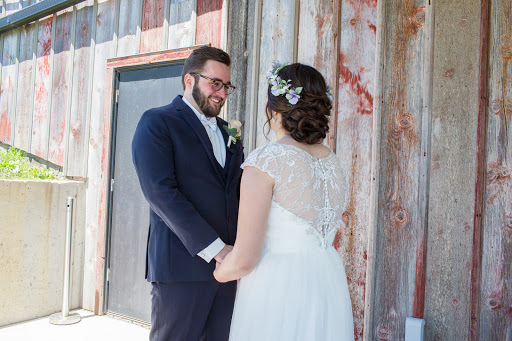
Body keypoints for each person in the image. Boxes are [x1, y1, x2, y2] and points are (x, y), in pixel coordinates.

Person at [213, 61, 355, 340]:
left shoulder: (267, 161)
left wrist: (218, 274)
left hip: (278, 290)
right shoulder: (333, 162)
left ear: (273, 110)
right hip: (327, 284)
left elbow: (243, 259)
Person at [132, 46, 244, 341]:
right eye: (215, 83)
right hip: (181, 270)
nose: (221, 93)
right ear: (189, 80)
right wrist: (217, 249)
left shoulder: (228, 131)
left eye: (227, 85)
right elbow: (160, 193)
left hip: (228, 270)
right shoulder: (157, 122)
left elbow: (237, 192)